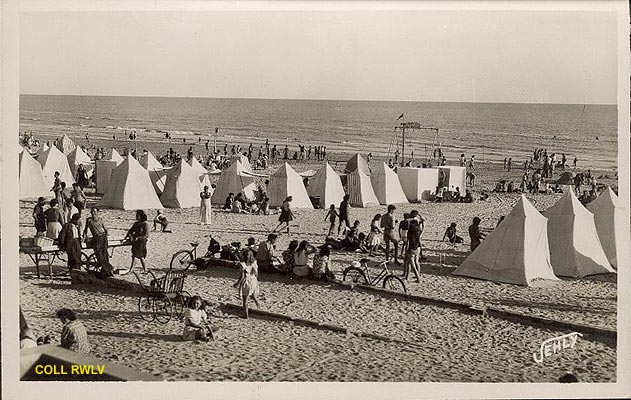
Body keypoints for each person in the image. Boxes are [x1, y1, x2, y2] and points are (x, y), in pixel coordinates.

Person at [82, 207, 114, 277]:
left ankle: (107, 269)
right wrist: (83, 239)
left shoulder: (100, 220)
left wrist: (106, 236)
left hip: (102, 236)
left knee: (104, 253)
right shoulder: (89, 220)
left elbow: (105, 229)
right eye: (92, 212)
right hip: (96, 237)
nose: (93, 213)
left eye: (95, 212)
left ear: (98, 212)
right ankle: (108, 268)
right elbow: (85, 230)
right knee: (98, 253)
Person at [120, 210, 150, 275]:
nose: (136, 216)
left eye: (137, 215)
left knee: (136, 256)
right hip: (135, 242)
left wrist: (138, 238)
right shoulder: (136, 223)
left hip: (142, 242)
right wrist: (128, 236)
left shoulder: (145, 224)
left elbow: (146, 235)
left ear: (141, 216)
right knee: (139, 256)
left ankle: (132, 269)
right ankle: (145, 269)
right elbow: (130, 231)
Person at [235, 248, 261, 319]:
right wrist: (255, 280)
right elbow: (256, 274)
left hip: (247, 280)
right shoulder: (254, 263)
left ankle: (245, 315)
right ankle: (255, 300)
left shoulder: (243, 264)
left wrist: (237, 283)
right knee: (252, 292)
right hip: (253, 280)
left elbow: (242, 276)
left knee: (245, 301)